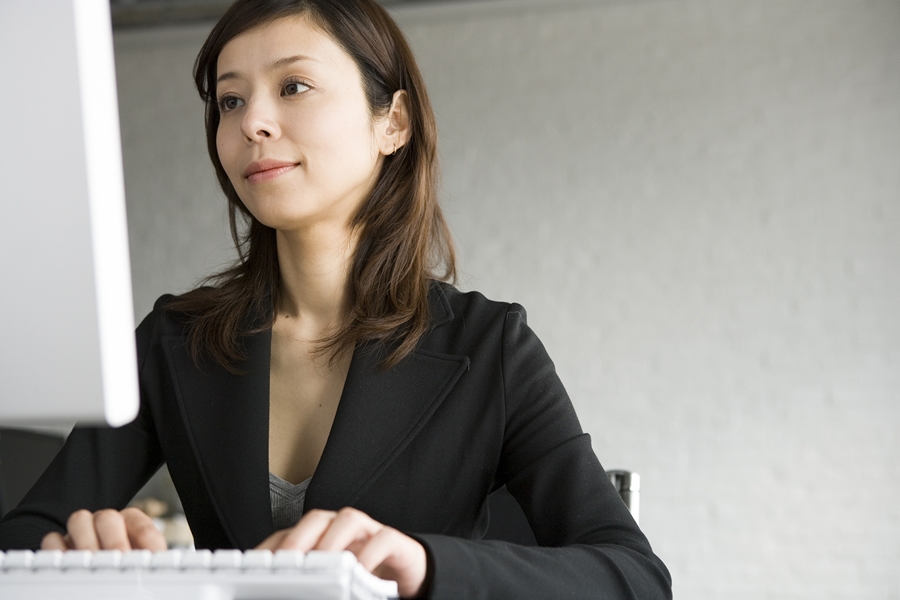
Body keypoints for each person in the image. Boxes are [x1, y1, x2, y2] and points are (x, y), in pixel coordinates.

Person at [0, 0, 672, 598]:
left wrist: (425, 565)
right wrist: (78, 551)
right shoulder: (174, 339)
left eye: (293, 86)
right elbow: (23, 537)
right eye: (230, 100)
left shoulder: (491, 346)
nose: (252, 122)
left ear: (393, 123)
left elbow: (634, 577)